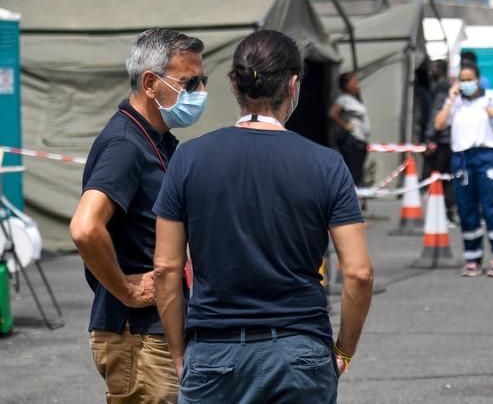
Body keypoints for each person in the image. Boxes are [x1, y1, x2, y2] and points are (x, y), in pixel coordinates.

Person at [153, 30, 374, 403]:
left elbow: (165, 269)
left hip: (213, 350)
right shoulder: (326, 165)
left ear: (232, 84)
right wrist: (343, 351)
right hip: (299, 349)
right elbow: (359, 272)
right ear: (293, 85)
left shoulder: (188, 159)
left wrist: (179, 355)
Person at [70, 28, 208, 403]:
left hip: (156, 327)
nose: (199, 93)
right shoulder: (125, 145)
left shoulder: (156, 140)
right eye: (190, 82)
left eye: (203, 81)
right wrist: (126, 290)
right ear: (150, 83)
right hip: (138, 334)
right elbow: (85, 228)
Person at [434, 62, 493, 277]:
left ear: (478, 79)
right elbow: (439, 124)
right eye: (463, 79)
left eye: (470, 79)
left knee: (490, 208)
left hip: (485, 155)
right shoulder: (457, 102)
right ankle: (472, 258)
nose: (466, 84)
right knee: (466, 210)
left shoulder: (491, 97)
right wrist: (450, 100)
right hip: (461, 158)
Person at [424, 59, 457, 225]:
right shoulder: (445, 88)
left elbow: (435, 117)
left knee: (441, 178)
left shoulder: (441, 89)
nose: (431, 72)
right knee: (447, 178)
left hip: (442, 141)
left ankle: (444, 212)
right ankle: (447, 211)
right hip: (447, 140)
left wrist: (430, 137)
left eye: (433, 69)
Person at [329, 72, 371, 186]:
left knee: (357, 171)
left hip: (360, 139)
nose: (358, 85)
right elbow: (332, 113)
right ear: (346, 84)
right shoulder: (343, 99)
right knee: (353, 171)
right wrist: (345, 125)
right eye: (354, 82)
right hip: (352, 140)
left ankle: (353, 194)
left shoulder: (355, 100)